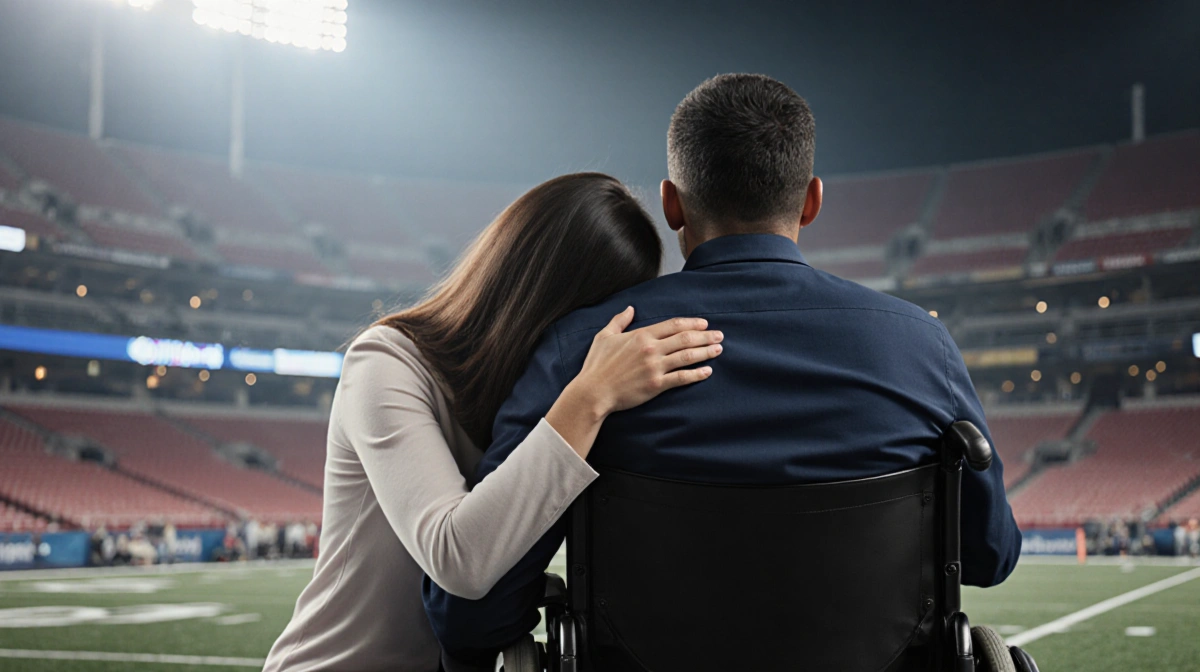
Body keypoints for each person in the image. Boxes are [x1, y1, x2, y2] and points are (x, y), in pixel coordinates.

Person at [424, 73, 1023, 670]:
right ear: (811, 200)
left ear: (671, 203)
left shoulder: (586, 350)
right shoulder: (921, 346)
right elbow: (990, 556)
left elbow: (471, 614)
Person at [263, 173, 724, 672]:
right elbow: (457, 557)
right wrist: (590, 396)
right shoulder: (385, 362)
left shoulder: (526, 399)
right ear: (545, 298)